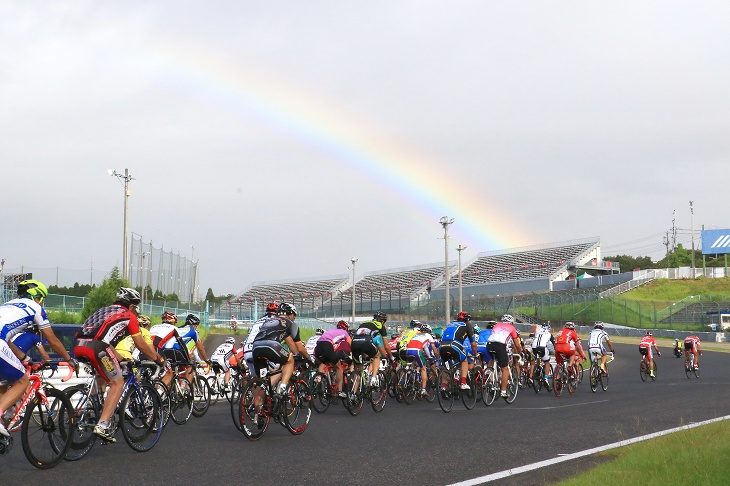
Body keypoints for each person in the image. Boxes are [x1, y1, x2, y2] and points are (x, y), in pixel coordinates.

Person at [74, 287, 166, 442]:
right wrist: (158, 359)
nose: (135, 310)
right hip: (97, 347)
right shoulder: (128, 315)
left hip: (78, 345)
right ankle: (102, 424)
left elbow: (103, 339)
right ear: (131, 305)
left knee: (101, 376)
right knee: (117, 382)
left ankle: (92, 407)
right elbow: (141, 345)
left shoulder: (103, 311)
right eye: (135, 307)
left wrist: (120, 358)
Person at [0, 280, 79, 437]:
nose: (42, 303)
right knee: (23, 381)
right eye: (42, 299)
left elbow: (8, 341)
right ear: (37, 297)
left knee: (2, 381)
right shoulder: (36, 308)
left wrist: (24, 358)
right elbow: (53, 341)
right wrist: (69, 359)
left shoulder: (7, 304)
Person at [250, 302, 310, 396]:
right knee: (289, 359)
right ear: (291, 314)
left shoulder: (269, 321)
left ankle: (257, 408)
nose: (294, 318)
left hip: (256, 347)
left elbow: (288, 340)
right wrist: (308, 358)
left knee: (263, 382)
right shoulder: (291, 323)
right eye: (294, 316)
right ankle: (282, 387)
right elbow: (299, 347)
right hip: (271, 345)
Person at [350, 311, 392, 386]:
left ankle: (354, 393)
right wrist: (390, 356)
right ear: (382, 321)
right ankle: (373, 378)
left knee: (358, 370)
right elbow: (386, 346)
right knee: (376, 357)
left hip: (354, 342)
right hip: (366, 342)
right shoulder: (380, 326)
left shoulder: (364, 323)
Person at [439, 312, 478, 391]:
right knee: (464, 360)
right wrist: (476, 354)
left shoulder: (450, 324)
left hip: (442, 346)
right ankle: (463, 383)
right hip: (454, 344)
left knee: (444, 365)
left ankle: (444, 385)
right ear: (468, 320)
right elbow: (473, 344)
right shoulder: (467, 325)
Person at [487, 314, 523, 398]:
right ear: (511, 322)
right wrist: (520, 352)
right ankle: (503, 391)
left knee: (493, 359)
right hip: (500, 345)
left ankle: (489, 375)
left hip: (489, 344)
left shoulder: (496, 325)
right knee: (505, 368)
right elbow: (517, 344)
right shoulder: (512, 328)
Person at [314, 320, 352, 398]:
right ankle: (340, 391)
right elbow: (351, 344)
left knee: (324, 363)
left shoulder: (330, 331)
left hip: (318, 346)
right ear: (346, 329)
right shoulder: (344, 332)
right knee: (338, 367)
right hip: (326, 345)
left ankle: (320, 379)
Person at [173, 313, 210, 384]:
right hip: (180, 352)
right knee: (190, 367)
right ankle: (186, 388)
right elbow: (200, 349)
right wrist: (206, 361)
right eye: (196, 325)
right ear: (193, 324)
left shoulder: (178, 328)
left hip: (168, 350)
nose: (196, 327)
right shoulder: (193, 332)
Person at [243, 302, 278, 376]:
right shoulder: (274, 321)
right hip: (258, 349)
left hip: (246, 350)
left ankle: (247, 386)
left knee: (255, 378)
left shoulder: (257, 321)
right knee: (277, 370)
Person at [405, 323, 440, 397]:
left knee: (414, 364)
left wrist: (429, 356)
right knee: (423, 368)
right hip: (417, 351)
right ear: (429, 331)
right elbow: (433, 348)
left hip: (408, 350)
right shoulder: (428, 335)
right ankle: (423, 390)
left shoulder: (416, 334)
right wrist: (436, 356)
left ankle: (413, 375)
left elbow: (426, 348)